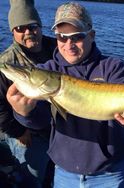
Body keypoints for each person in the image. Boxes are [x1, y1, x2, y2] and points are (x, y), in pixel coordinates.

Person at [6, 2, 124, 188]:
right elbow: (40, 121)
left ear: (91, 35)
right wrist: (23, 113)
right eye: (61, 37)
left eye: (77, 37)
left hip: (110, 174)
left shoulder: (113, 68)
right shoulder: (48, 70)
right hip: (65, 173)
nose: (69, 45)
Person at [0, 0, 57, 187]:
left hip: (59, 128)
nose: (28, 32)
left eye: (32, 26)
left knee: (55, 173)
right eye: (20, 28)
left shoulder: (58, 48)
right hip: (28, 133)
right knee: (33, 177)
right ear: (13, 32)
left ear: (39, 26)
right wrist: (19, 132)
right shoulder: (7, 62)